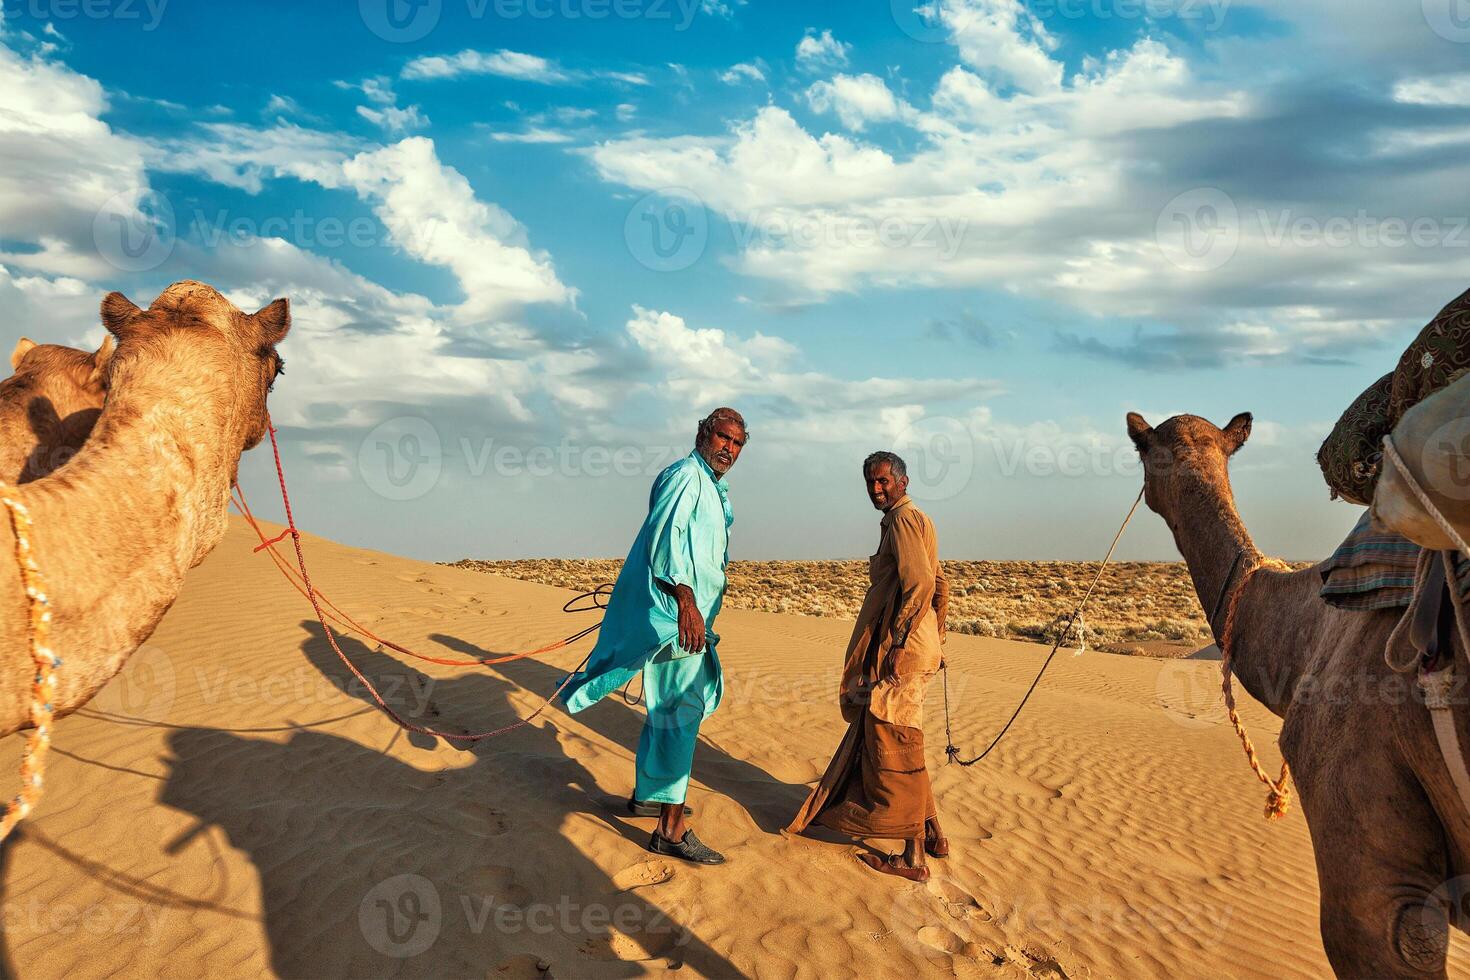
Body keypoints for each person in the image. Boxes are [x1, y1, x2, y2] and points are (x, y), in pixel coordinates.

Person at [559, 408, 747, 865]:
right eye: (723, 437)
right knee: (678, 713)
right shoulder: (686, 476)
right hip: (679, 619)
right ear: (703, 433)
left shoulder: (707, 483)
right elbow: (665, 540)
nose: (730, 449)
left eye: (738, 443)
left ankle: (653, 796)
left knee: (670, 708)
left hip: (690, 619)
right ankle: (671, 829)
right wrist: (686, 601)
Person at [787, 451, 949, 881]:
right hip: (919, 645)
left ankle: (913, 855)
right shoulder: (915, 520)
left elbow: (921, 583)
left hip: (905, 651)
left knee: (894, 740)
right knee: (902, 732)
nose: (877, 490)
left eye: (883, 482)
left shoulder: (902, 521)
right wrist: (938, 635)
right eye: (870, 483)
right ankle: (933, 831)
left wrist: (899, 642)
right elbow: (940, 583)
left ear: (903, 481)